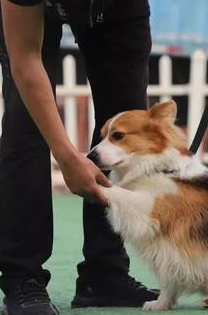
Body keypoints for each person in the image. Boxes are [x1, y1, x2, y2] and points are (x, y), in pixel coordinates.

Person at [0, 0, 158, 314]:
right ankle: (23, 278)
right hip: (28, 11)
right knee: (25, 125)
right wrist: (68, 158)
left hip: (118, 10)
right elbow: (26, 60)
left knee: (124, 119)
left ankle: (105, 274)